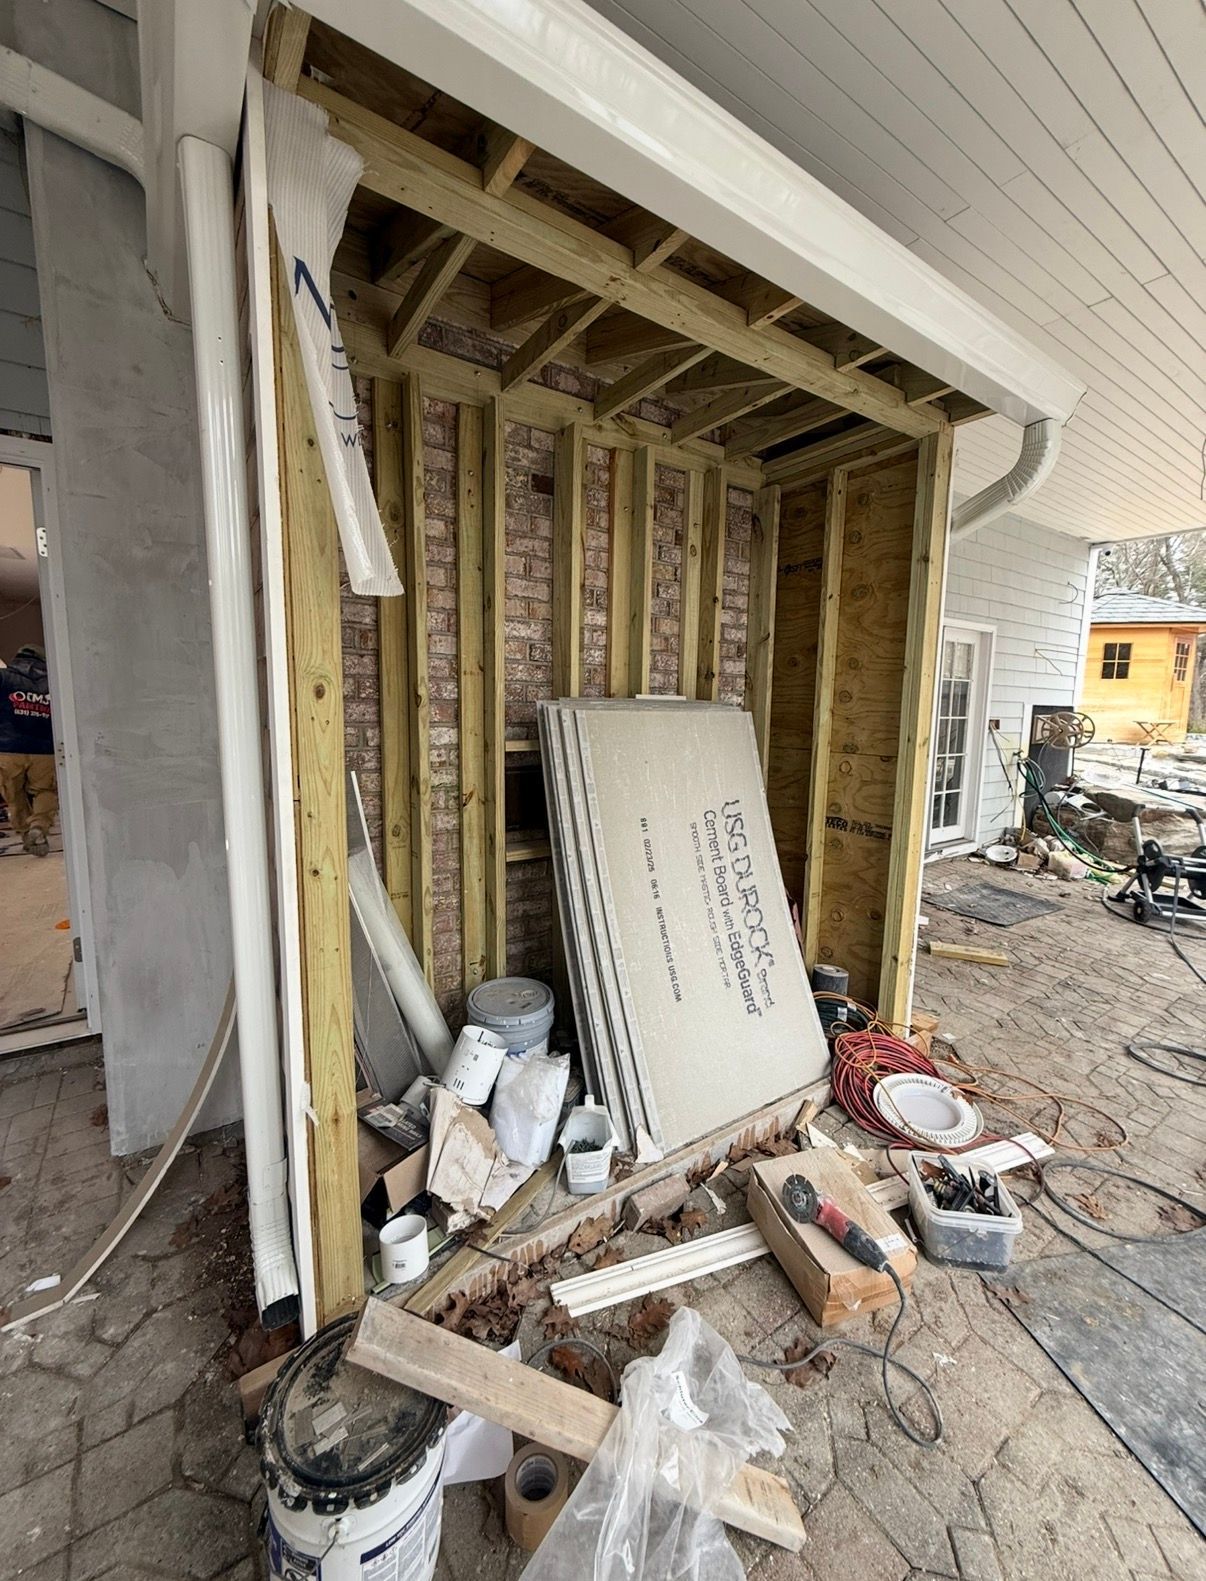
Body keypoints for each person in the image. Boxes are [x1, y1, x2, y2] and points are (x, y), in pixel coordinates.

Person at [0, 644, 58, 857]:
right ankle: (38, 827)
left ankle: (26, 835)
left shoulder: (4, 678)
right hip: (44, 750)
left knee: (14, 795)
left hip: (7, 749)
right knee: (45, 791)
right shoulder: (54, 682)